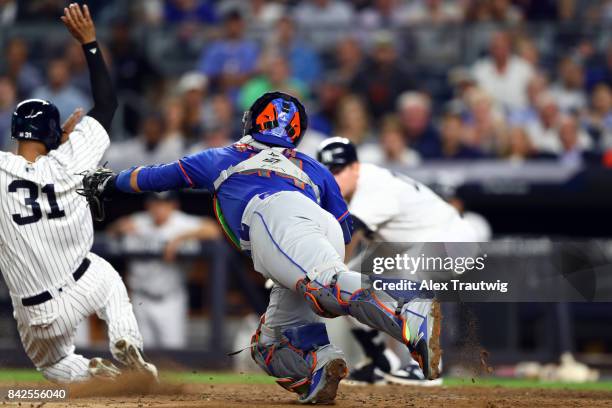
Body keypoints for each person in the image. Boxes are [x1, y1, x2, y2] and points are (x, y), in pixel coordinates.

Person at [81, 91, 441, 404]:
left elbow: (155, 176)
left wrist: (110, 182)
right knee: (268, 345)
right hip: (315, 229)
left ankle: (407, 310)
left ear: (253, 122)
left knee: (325, 284)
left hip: (273, 217)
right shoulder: (315, 167)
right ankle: (319, 363)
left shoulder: (223, 156)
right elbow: (343, 229)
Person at [0, 4, 157, 383]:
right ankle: (125, 340)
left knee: (52, 364)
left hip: (35, 312)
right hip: (82, 281)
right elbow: (107, 104)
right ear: (53, 135)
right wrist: (88, 43)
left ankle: (98, 378)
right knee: (110, 278)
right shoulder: (72, 160)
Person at [316, 137, 476, 386]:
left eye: (338, 170)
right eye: (328, 173)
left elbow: (348, 233)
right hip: (404, 244)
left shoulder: (372, 183)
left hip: (453, 239)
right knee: (341, 284)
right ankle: (379, 361)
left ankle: (428, 367)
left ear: (355, 166)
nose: (334, 179)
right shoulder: (345, 191)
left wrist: (311, 266)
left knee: (410, 273)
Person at [108, 192, 220, 349]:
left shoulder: (180, 222)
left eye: (165, 203)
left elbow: (213, 229)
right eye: (155, 203)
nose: (160, 208)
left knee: (173, 353)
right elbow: (110, 233)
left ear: (173, 205)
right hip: (140, 298)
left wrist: (179, 238)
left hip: (170, 299)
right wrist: (119, 228)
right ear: (148, 205)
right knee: (140, 352)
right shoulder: (139, 221)